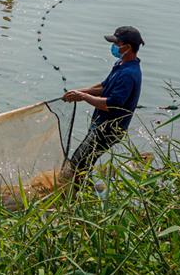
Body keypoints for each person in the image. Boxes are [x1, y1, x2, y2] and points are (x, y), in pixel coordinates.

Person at [62, 26, 144, 183]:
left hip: (109, 129)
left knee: (78, 166)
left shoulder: (129, 74)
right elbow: (103, 87)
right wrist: (78, 93)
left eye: (117, 43)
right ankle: (84, 192)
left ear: (127, 47)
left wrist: (84, 97)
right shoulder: (121, 65)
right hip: (100, 125)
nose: (114, 46)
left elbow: (111, 105)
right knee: (83, 164)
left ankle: (78, 198)